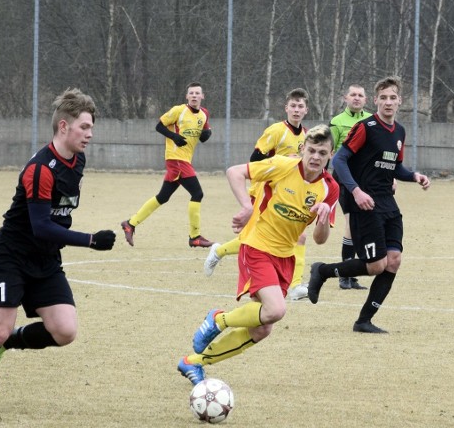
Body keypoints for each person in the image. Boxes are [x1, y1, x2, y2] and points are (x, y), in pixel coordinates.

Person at [0, 88, 116, 413]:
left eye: (91, 127)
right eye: (84, 127)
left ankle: (4, 345)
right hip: (12, 256)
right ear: (64, 126)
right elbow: (42, 226)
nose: (90, 134)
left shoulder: (78, 160)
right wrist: (90, 240)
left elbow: (59, 215)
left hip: (45, 259)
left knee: (64, 331)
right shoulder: (40, 169)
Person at [177, 125, 339, 384]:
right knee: (276, 310)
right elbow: (235, 172)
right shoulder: (283, 166)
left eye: (322, 152)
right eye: (311, 150)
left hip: (285, 257)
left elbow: (320, 239)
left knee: (262, 328)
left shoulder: (330, 189)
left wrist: (321, 218)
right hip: (257, 246)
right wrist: (246, 206)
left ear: (331, 154)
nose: (316, 157)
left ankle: (194, 363)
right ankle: (219, 320)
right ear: (302, 149)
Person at [305, 76, 431, 334]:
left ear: (399, 102)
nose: (388, 102)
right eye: (383, 97)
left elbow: (394, 166)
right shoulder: (366, 126)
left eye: (392, 98)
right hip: (364, 203)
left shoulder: (399, 131)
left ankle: (363, 321)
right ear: (376, 101)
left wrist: (414, 176)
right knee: (376, 265)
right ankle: (323, 271)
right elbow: (339, 159)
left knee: (393, 261)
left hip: (388, 203)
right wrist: (357, 191)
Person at [203, 88, 313, 300]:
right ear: (286, 108)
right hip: (265, 192)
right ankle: (218, 251)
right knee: (253, 238)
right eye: (293, 106)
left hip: (288, 194)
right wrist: (283, 162)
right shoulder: (276, 131)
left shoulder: (306, 136)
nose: (296, 110)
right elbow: (254, 160)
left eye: (301, 106)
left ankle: (295, 285)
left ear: (306, 110)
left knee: (298, 235)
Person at [121, 82, 214, 247]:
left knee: (162, 197)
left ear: (202, 96)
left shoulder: (204, 114)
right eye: (191, 93)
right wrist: (174, 137)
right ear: (187, 96)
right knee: (197, 193)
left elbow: (203, 136)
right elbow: (159, 126)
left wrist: (208, 133)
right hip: (176, 159)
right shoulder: (179, 110)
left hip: (184, 160)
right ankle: (195, 237)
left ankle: (130, 223)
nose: (194, 95)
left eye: (197, 93)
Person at [329, 84, 373, 291]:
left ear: (366, 99)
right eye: (353, 95)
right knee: (351, 223)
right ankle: (344, 275)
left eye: (360, 95)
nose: (356, 98)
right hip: (345, 178)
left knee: (361, 226)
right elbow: (330, 152)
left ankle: (351, 273)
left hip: (366, 178)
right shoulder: (337, 122)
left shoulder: (372, 120)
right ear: (346, 98)